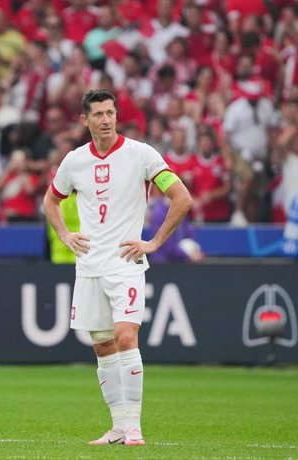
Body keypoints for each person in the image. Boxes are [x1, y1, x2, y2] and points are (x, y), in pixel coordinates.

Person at [43, 89, 193, 446]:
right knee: (101, 344)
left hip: (126, 263)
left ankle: (136, 426)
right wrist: (65, 235)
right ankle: (119, 426)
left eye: (110, 113)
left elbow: (182, 198)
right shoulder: (74, 161)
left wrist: (154, 242)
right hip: (90, 266)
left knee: (126, 336)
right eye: (98, 114)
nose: (106, 120)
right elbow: (51, 201)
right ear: (85, 120)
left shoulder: (141, 154)